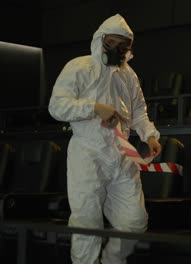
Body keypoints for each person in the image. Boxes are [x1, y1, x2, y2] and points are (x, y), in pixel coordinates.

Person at [48, 14, 161, 264]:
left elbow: (139, 110)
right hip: (88, 153)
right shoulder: (79, 67)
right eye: (112, 43)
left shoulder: (128, 75)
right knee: (86, 222)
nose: (117, 50)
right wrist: (94, 107)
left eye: (123, 46)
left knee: (134, 221)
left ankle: (112, 260)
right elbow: (56, 107)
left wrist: (150, 135)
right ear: (100, 40)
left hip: (122, 156)